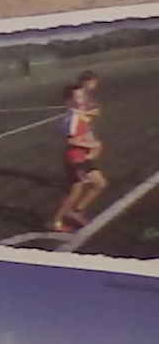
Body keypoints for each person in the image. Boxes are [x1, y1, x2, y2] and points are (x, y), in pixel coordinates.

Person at [61, 72, 110, 231]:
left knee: (100, 184)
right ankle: (57, 221)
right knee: (75, 192)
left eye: (82, 96)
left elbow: (91, 115)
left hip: (83, 155)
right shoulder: (73, 116)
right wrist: (92, 145)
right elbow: (70, 140)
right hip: (76, 158)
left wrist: (91, 143)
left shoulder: (79, 112)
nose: (82, 99)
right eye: (78, 97)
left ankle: (76, 211)